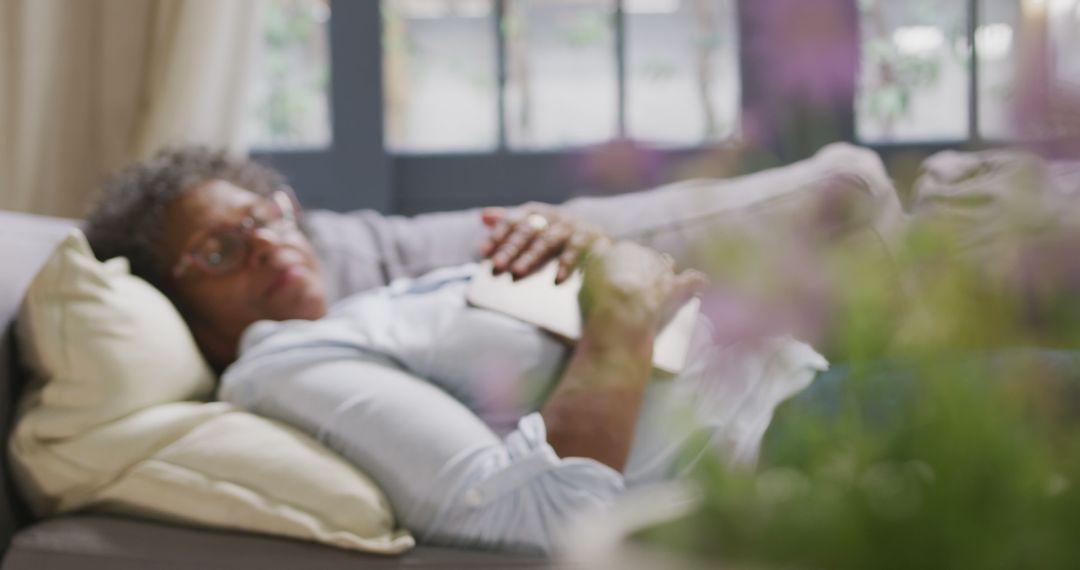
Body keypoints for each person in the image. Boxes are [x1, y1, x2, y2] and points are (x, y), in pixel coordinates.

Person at [83, 145, 890, 552]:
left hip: (812, 389)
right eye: (220, 250)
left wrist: (592, 263)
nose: (265, 244)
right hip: (784, 452)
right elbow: (541, 521)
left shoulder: (385, 305)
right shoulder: (286, 364)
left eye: (266, 214)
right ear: (175, 300)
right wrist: (620, 311)